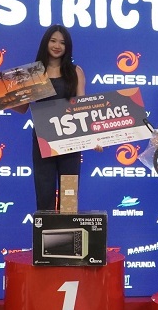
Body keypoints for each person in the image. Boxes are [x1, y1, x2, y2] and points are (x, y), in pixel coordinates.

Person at [10, 24, 100, 211]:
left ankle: (68, 230)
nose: (57, 46)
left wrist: (93, 138)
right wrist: (0, 99)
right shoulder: (34, 74)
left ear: (67, 47)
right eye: (53, 41)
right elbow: (22, 108)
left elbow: (82, 106)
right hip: (43, 140)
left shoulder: (75, 72)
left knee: (69, 196)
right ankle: (46, 231)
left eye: (62, 42)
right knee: (44, 194)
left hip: (71, 139)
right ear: (46, 43)